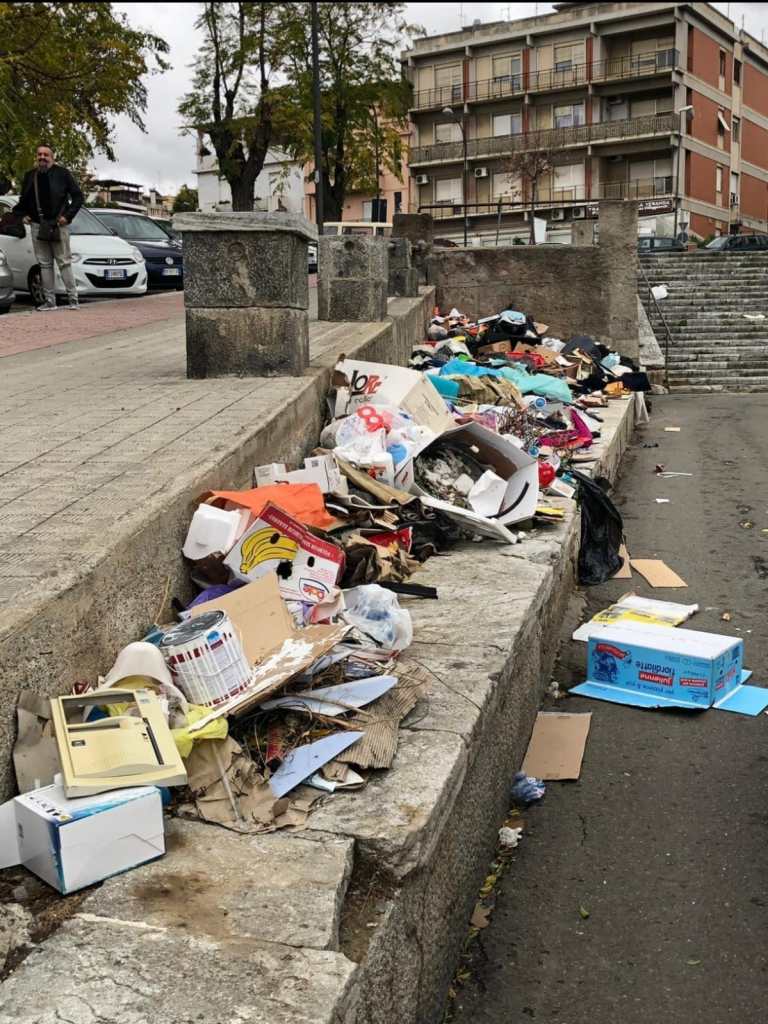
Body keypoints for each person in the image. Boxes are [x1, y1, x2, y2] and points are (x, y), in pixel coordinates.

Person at [13, 144, 83, 310]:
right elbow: (23, 201)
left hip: (59, 225)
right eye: (39, 154)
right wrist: (23, 215)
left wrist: (67, 216)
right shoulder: (30, 176)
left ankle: (73, 300)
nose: (42, 157)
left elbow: (78, 197)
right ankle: (50, 301)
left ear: (52, 157)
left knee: (64, 262)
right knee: (44, 264)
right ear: (36, 157)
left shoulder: (63, 174)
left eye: (46, 154)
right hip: (38, 226)